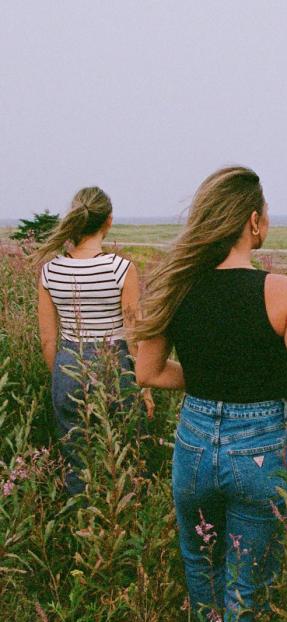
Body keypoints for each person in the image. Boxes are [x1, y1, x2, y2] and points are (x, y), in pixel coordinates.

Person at [135, 166, 287, 622]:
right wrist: (273, 382)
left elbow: (150, 373)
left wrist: (207, 380)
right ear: (254, 221)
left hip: (195, 442)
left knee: (202, 564)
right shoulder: (283, 290)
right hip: (261, 447)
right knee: (248, 582)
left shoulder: (177, 286)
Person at [36, 186, 154, 496]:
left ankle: (80, 527)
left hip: (68, 363)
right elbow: (133, 335)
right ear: (108, 221)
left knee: (76, 459)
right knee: (125, 455)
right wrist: (145, 386)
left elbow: (48, 339)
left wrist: (61, 376)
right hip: (115, 364)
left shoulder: (50, 271)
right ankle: (121, 524)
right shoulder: (121, 269)